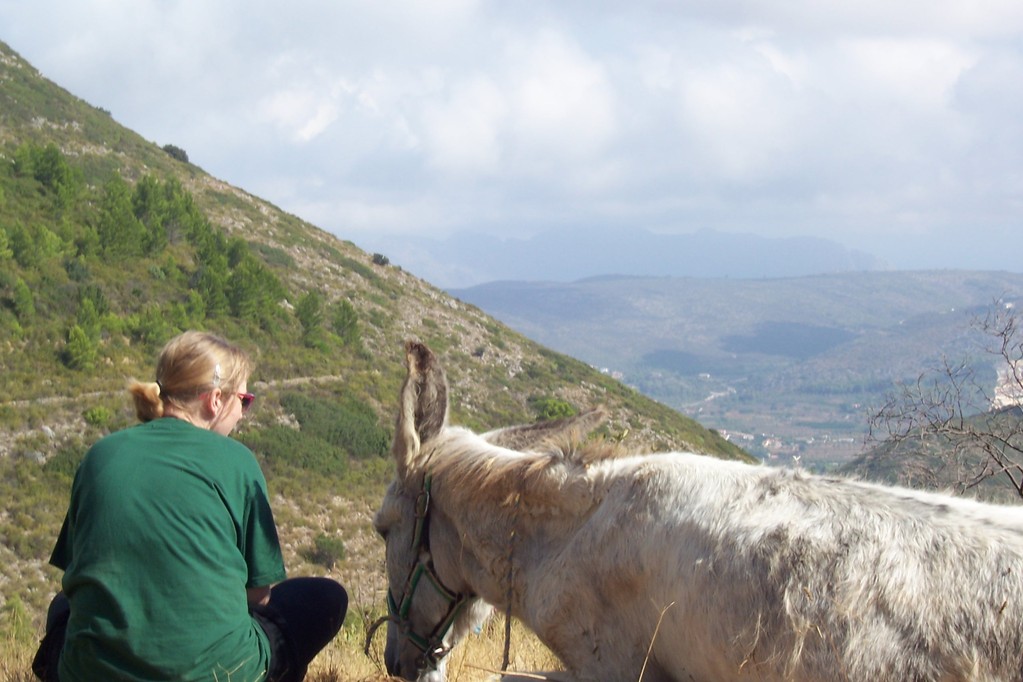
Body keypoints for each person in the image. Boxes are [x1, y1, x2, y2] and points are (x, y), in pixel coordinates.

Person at [33, 330, 347, 682]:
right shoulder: (237, 461)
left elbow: (74, 572)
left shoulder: (99, 454)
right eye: (244, 400)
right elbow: (258, 596)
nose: (243, 415)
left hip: (89, 673)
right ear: (215, 400)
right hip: (221, 672)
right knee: (327, 597)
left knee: (62, 604)